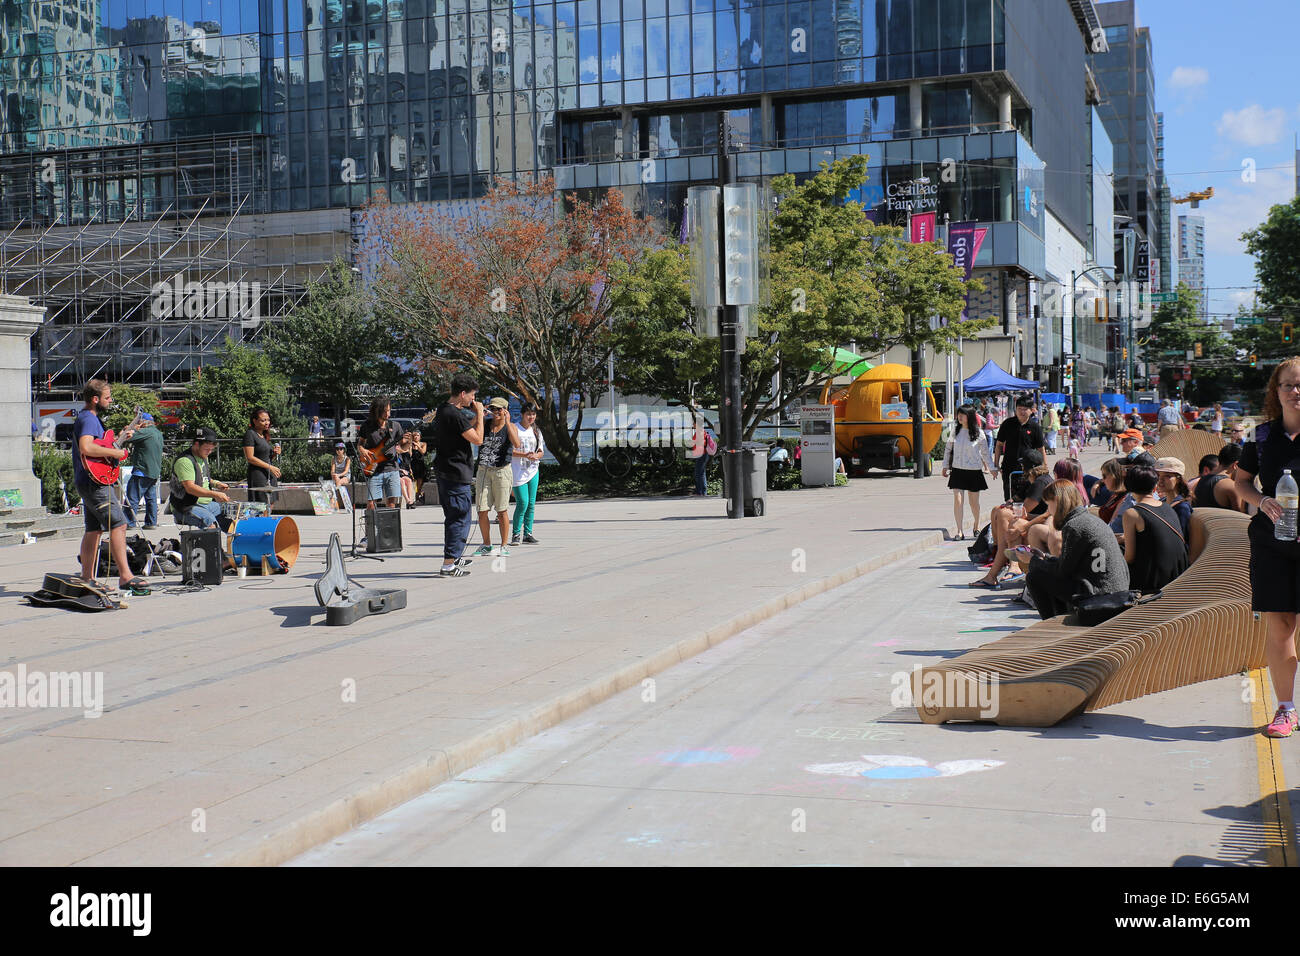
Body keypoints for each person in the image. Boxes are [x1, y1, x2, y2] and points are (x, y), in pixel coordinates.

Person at [1236, 358, 1300, 735]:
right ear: (1276, 392)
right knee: (1281, 625)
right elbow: (1243, 482)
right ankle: (1286, 708)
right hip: (1273, 542)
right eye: (1288, 385)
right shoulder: (1260, 438)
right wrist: (1261, 501)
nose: (1296, 392)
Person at [72, 380, 151, 594]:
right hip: (95, 483)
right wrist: (118, 453)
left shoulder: (89, 418)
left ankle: (87, 577)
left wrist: (120, 440)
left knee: (94, 530)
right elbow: (86, 447)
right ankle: (125, 576)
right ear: (95, 399)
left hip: (87, 480)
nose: (110, 400)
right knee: (119, 524)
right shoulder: (89, 418)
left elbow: (101, 447)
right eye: (107, 397)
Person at [1024, 480, 1130, 620]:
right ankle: (1061, 617)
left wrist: (1032, 561)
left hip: (1100, 597)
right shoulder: (1090, 519)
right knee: (1046, 573)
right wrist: (1045, 557)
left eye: (1049, 504)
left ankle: (1052, 623)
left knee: (1034, 577)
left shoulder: (1074, 526)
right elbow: (1070, 562)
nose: (1049, 510)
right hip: (1116, 591)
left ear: (1057, 501)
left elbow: (1062, 571)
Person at [969, 449, 1052, 588]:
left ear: (1029, 467)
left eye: (1023, 465)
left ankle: (1006, 562)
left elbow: (1026, 509)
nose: (1021, 468)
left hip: (1044, 524)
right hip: (1039, 520)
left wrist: (1016, 516)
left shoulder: (1040, 483)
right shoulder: (1034, 480)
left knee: (1008, 517)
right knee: (998, 510)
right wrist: (1008, 503)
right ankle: (1000, 553)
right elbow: (1018, 498)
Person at [433, 375, 485, 577]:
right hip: (455, 473)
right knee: (459, 517)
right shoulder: (453, 414)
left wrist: (472, 416)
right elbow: (478, 439)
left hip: (447, 471)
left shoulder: (444, 410)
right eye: (472, 395)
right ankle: (448, 564)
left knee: (456, 516)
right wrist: (480, 414)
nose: (473, 400)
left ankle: (454, 555)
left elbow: (463, 429)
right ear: (463, 394)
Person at [1120, 463, 1188, 595]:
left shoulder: (1132, 513)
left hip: (1154, 582)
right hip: (1178, 573)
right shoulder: (1167, 506)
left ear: (1129, 487)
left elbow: (1129, 557)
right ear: (1155, 486)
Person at [472, 397, 520, 556]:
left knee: (501, 511)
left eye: (499, 409)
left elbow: (517, 443)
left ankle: (504, 545)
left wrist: (507, 422)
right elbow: (469, 428)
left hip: (501, 471)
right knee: (482, 510)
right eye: (493, 409)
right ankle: (487, 544)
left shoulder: (510, 426)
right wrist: (479, 413)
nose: (496, 412)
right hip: (483, 471)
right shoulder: (484, 424)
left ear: (505, 410)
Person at [942, 404, 996, 540]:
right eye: (958, 414)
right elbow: (948, 449)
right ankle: (959, 531)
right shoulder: (955, 431)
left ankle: (976, 526)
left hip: (974, 471)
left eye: (963, 414)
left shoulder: (979, 433)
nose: (959, 417)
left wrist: (992, 468)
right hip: (957, 470)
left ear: (970, 416)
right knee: (958, 500)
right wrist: (944, 466)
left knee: (974, 503)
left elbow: (985, 453)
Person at [170, 427, 232, 530]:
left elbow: (203, 478)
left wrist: (216, 484)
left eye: (212, 449)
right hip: (186, 507)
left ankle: (234, 544)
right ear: (196, 444)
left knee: (229, 518)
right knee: (210, 523)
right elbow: (190, 488)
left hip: (206, 504)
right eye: (207, 449)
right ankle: (209, 546)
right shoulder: (185, 461)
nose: (209, 452)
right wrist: (215, 494)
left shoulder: (202, 456)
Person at [994, 395, 1044, 502]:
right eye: (1019, 409)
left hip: (1029, 469)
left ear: (1031, 411)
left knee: (1027, 498)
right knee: (1010, 498)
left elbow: (1040, 448)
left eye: (1025, 409)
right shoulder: (1007, 424)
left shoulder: (1035, 427)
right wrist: (996, 464)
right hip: (1009, 467)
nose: (1022, 412)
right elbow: (999, 444)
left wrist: (1044, 466)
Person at [509, 402, 546, 546]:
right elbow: (510, 451)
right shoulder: (514, 429)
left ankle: (528, 534)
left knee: (531, 503)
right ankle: (516, 534)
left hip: (533, 470)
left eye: (533, 414)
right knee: (522, 502)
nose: (531, 417)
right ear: (522, 414)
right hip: (518, 471)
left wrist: (537, 456)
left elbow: (541, 451)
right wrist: (525, 454)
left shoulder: (536, 431)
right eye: (528, 414)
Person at [121, 412, 164, 530]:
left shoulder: (145, 432)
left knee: (132, 497)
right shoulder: (158, 433)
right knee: (151, 499)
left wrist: (130, 429)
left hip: (142, 470)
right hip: (154, 471)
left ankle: (129, 522)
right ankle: (151, 522)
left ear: (142, 423)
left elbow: (126, 436)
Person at [360, 397, 404, 511]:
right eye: (385, 411)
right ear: (377, 411)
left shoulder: (395, 426)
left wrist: (408, 441)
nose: (388, 413)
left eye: (389, 410)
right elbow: (360, 444)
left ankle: (389, 529)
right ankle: (371, 527)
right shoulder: (367, 426)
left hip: (392, 469)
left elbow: (403, 446)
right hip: (374, 469)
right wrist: (363, 450)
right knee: (371, 504)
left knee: (391, 506)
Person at [243, 407, 280, 516]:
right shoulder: (250, 434)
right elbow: (250, 458)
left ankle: (266, 523)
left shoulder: (264, 435)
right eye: (263, 420)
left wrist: (274, 454)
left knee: (271, 502)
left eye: (268, 420)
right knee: (261, 504)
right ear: (254, 421)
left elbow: (265, 458)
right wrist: (270, 467)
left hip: (268, 473)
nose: (266, 423)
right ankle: (261, 526)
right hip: (258, 474)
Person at [1153, 457, 1193, 540]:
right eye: (1158, 475)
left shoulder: (1182, 507)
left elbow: (1181, 539)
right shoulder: (1161, 502)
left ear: (1178, 479)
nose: (1160, 480)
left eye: (1167, 476)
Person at [692, 421, 717, 496]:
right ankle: (700, 491)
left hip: (702, 454)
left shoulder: (700, 432)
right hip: (701, 454)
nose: (692, 424)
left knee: (700, 473)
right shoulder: (700, 432)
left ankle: (702, 492)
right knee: (699, 473)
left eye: (694, 423)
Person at [329, 441, 352, 509]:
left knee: (338, 481)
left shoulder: (347, 459)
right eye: (337, 449)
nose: (339, 450)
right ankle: (335, 499)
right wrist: (334, 475)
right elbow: (332, 470)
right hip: (336, 476)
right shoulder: (334, 459)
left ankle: (334, 499)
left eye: (341, 449)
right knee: (337, 479)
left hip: (345, 476)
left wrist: (338, 475)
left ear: (344, 450)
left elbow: (346, 471)